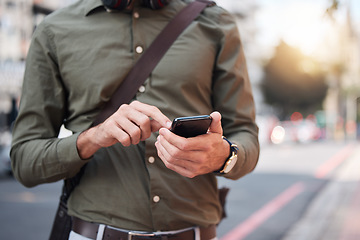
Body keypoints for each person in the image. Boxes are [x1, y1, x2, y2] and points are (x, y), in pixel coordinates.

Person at [10, 0, 260, 239]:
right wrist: (92, 138)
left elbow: (245, 133)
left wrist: (225, 156)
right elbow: (24, 161)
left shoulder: (215, 22)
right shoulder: (53, 30)